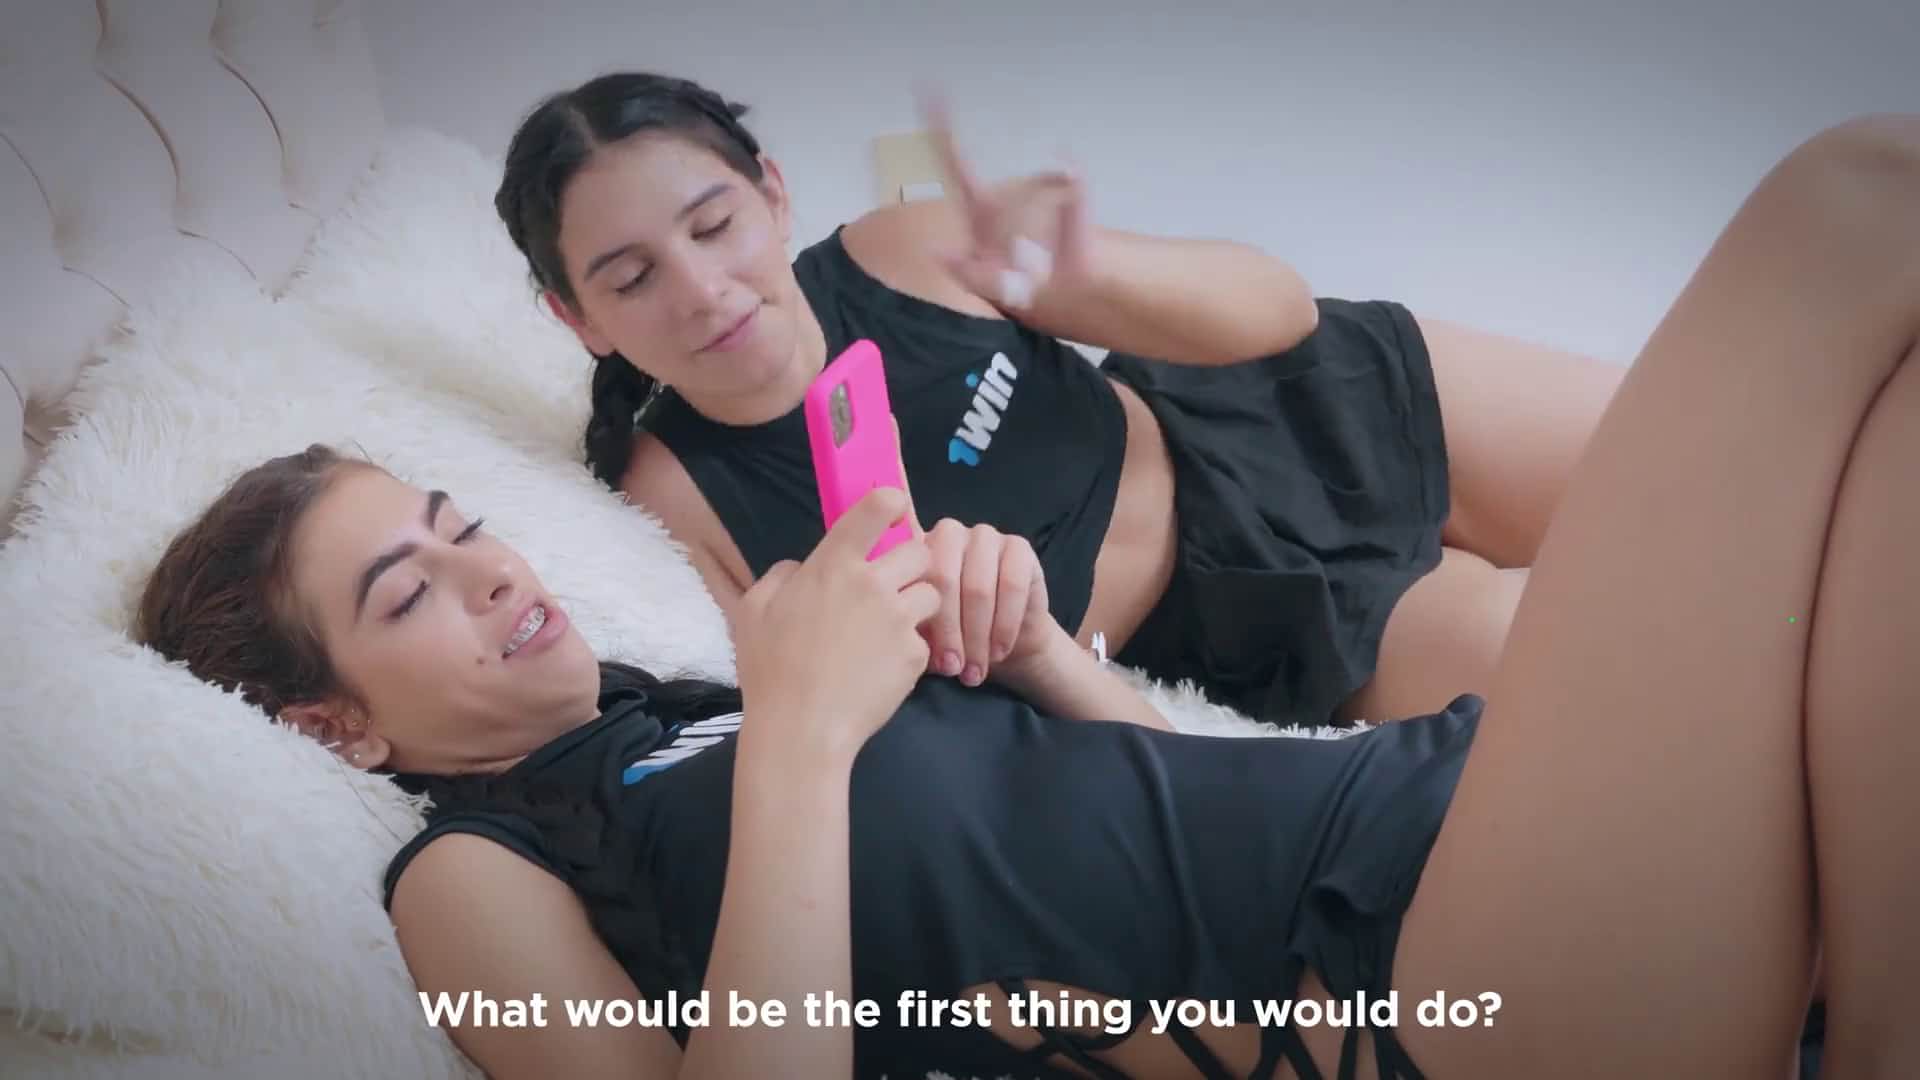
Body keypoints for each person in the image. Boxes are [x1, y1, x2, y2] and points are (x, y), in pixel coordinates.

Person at [136, 112, 1919, 1079]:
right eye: (407, 593)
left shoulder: (688, 709)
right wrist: (807, 737)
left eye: (458, 524)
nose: (491, 569)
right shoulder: (474, 873)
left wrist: (1051, 660)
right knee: (1859, 211)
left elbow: (1142, 793)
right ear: (335, 724)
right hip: (1402, 980)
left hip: (1407, 812)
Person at [491, 72, 1628, 731]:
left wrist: (1094, 279)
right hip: (1255, 621)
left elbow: (1279, 314)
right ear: (578, 318)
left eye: (714, 225)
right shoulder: (671, 501)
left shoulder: (902, 249)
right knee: (1624, 677)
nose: (703, 289)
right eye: (631, 279)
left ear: (772, 195)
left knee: (1700, 484)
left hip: (1299, 413)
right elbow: (823, 722)